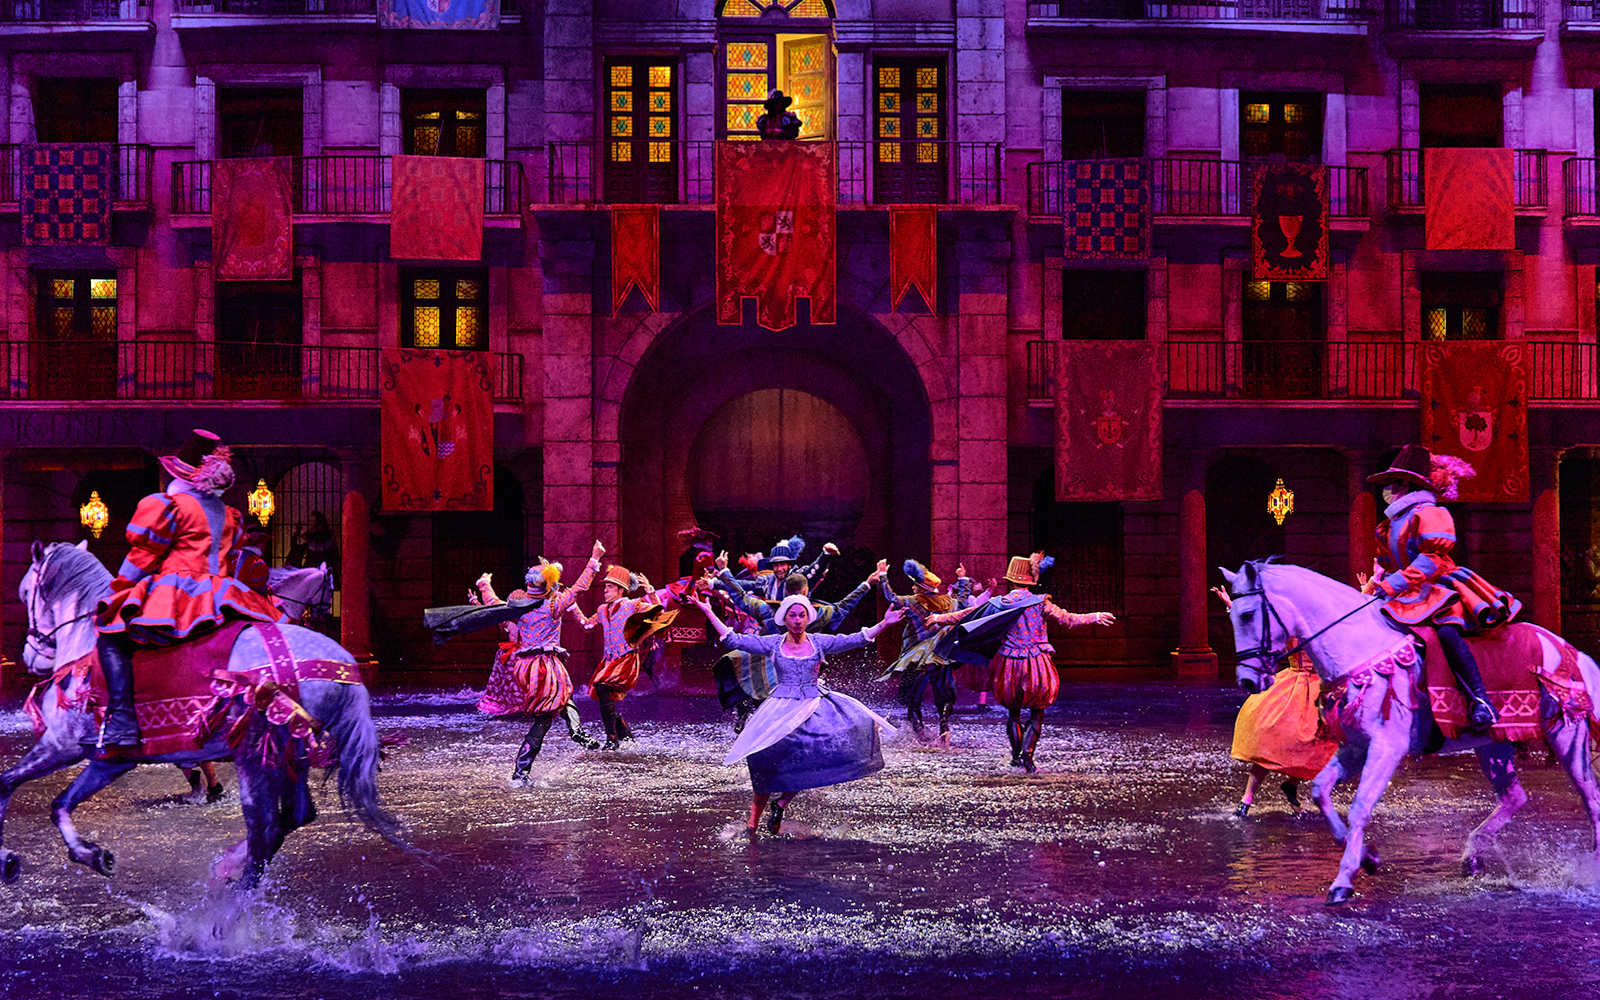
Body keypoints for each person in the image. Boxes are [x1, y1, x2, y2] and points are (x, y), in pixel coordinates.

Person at [92, 429, 283, 750]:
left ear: (181, 476)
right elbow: (231, 554)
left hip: (178, 593)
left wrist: (118, 591)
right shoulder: (229, 515)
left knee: (111, 637)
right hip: (223, 593)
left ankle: (122, 723)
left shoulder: (170, 506)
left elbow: (144, 556)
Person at [690, 589, 905, 836]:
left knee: (814, 757)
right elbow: (734, 640)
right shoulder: (773, 642)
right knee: (764, 759)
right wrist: (707, 611)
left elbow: (857, 638)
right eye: (792, 615)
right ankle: (752, 823)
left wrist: (885, 623)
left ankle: (780, 803)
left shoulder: (819, 642)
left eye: (801, 615)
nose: (797, 620)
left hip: (814, 706)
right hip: (780, 707)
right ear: (785, 618)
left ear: (807, 617)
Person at [1362, 445, 1521, 730]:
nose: (1386, 490)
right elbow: (1388, 562)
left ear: (1405, 485)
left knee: (1447, 632)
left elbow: (1430, 560)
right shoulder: (1390, 524)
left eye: (1391, 484)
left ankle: (1480, 699)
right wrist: (1376, 584)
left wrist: (1392, 584)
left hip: (1438, 586)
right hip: (1405, 590)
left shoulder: (1430, 513)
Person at [928, 552, 1114, 773]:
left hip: (1010, 664)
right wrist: (1093, 616)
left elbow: (969, 614)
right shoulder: (1041, 602)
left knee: (1013, 712)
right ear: (1031, 579)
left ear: (1011, 579)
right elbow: (1067, 618)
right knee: (1037, 711)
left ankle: (1016, 758)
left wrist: (940, 618)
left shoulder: (998, 603)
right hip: (1037, 664)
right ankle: (1028, 756)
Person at [472, 541, 606, 784]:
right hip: (544, 664)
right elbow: (578, 588)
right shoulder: (552, 605)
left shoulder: (516, 608)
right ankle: (521, 771)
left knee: (562, 695)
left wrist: (484, 584)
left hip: (525, 667)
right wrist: (595, 558)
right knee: (546, 715)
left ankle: (576, 732)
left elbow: (492, 603)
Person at [712, 554, 882, 733]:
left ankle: (744, 709)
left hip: (768, 663)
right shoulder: (816, 612)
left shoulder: (766, 608)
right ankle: (749, 713)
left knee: (732, 661)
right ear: (806, 590)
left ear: (785, 590)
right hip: (789, 666)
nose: (797, 620)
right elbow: (844, 607)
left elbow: (741, 597)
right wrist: (867, 584)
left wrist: (724, 572)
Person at [1211, 586, 1325, 818]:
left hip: (1314, 688)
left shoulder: (1320, 622)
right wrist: (1232, 606)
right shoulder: (1290, 624)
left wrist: (1372, 584)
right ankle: (1247, 800)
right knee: (1270, 745)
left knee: (1319, 743)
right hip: (1294, 688)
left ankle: (1290, 785)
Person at [875, 559, 989, 745]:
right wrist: (962, 578)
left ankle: (918, 732)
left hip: (918, 657)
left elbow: (891, 598)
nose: (912, 588)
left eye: (915, 585)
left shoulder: (913, 602)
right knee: (943, 692)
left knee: (912, 697)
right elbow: (962, 600)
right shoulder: (949, 602)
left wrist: (882, 576)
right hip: (942, 655)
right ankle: (944, 728)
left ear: (921, 588)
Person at [576, 564, 661, 750]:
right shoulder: (601, 609)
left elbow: (658, 613)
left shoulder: (633, 605)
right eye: (605, 587)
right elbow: (587, 625)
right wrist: (572, 606)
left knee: (602, 687)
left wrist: (650, 591)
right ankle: (626, 736)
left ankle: (612, 739)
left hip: (627, 658)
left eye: (610, 587)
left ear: (621, 590)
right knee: (603, 694)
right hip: (609, 661)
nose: (605, 590)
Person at [733, 535, 838, 604]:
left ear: (790, 565)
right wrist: (718, 580)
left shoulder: (797, 578)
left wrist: (825, 554)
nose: (779, 569)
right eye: (776, 565)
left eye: (782, 564)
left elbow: (813, 571)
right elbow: (742, 584)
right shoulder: (766, 582)